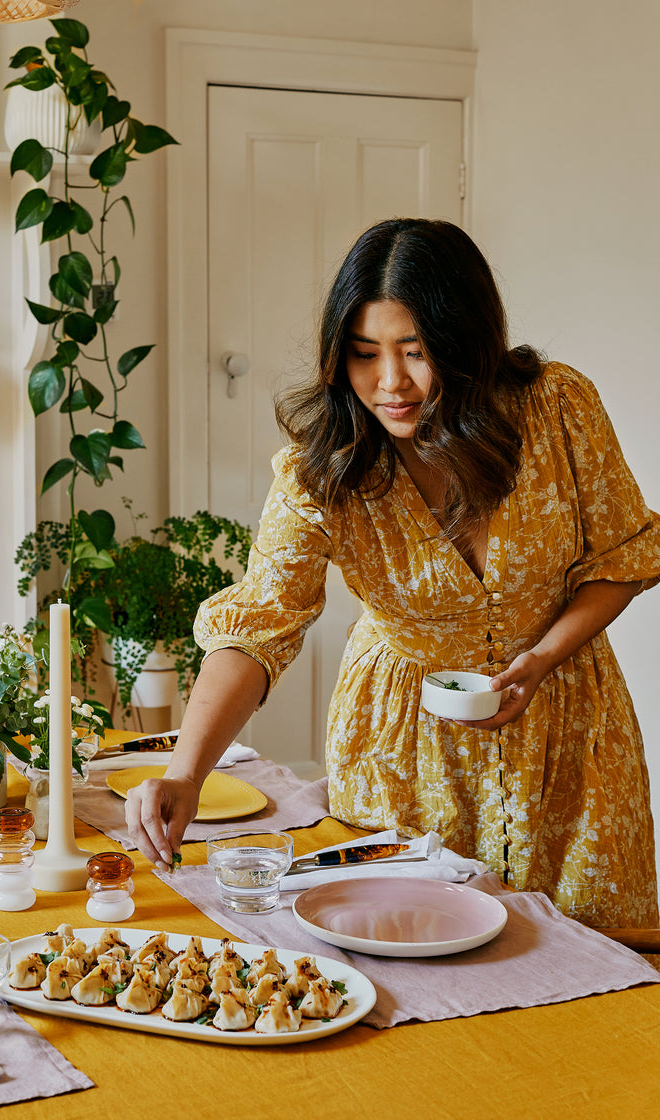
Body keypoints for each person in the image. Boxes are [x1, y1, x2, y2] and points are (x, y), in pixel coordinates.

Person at [125, 217, 660, 928]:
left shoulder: (558, 407)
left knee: (596, 977)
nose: (391, 382)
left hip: (571, 731)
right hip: (405, 748)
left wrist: (544, 655)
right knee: (413, 962)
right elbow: (259, 625)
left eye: (416, 351)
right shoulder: (324, 467)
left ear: (467, 341)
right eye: (364, 353)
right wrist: (185, 773)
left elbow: (625, 554)